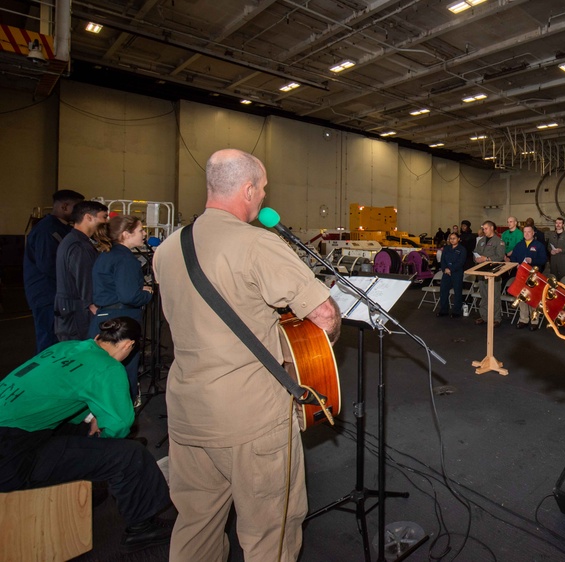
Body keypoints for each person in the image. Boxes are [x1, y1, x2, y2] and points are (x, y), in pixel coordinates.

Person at [153, 148, 342, 561]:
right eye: (263, 189)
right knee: (269, 533)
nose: (263, 198)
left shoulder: (167, 249)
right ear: (247, 189)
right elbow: (324, 316)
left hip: (187, 414)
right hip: (250, 418)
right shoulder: (257, 244)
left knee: (196, 527)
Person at [0, 317, 172, 554]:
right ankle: (142, 527)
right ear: (128, 345)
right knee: (129, 455)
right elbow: (120, 425)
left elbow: (58, 393)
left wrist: (92, 419)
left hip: (19, 432)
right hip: (13, 456)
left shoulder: (65, 347)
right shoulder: (108, 367)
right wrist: (104, 433)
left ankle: (90, 486)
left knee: (83, 435)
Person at [90, 215, 154, 401]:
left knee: (103, 369)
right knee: (124, 368)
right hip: (122, 319)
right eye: (140, 230)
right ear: (126, 234)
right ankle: (123, 410)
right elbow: (129, 296)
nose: (144, 234)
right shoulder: (126, 259)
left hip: (105, 315)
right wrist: (147, 293)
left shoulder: (107, 254)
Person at [24, 189, 84, 353]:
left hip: (57, 294)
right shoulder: (47, 230)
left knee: (61, 339)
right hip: (47, 295)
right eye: (77, 208)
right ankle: (46, 377)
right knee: (49, 340)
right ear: (64, 206)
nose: (80, 213)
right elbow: (47, 265)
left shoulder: (63, 229)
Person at [55, 200, 109, 342]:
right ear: (88, 217)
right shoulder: (79, 246)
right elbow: (84, 279)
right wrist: (92, 306)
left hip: (70, 309)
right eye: (103, 217)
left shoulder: (73, 240)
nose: (106, 221)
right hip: (77, 312)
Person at [510, 225, 547, 329]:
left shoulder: (539, 245)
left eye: (529, 232)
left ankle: (534, 321)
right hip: (521, 275)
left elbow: (544, 260)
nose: (526, 234)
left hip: (534, 276)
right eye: (525, 232)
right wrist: (515, 263)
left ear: (533, 233)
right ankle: (523, 319)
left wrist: (533, 261)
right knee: (522, 297)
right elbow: (513, 257)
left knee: (533, 298)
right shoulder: (519, 245)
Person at [472, 220, 506, 326]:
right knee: (484, 295)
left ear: (491, 228)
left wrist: (486, 259)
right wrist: (476, 259)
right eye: (483, 228)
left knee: (494, 296)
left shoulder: (499, 241)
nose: (484, 230)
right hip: (482, 271)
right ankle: (484, 316)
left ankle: (496, 318)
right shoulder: (481, 240)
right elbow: (476, 253)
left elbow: (500, 256)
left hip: (493, 272)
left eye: (486, 228)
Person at [437, 231, 466, 318]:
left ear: (458, 239)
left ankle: (456, 311)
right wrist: (444, 268)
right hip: (446, 273)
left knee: (457, 292)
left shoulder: (462, 249)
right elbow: (443, 260)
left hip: (457, 273)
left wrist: (451, 269)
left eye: (454, 238)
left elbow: (461, 262)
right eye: (450, 239)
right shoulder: (446, 248)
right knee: (443, 291)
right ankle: (444, 310)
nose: (452, 240)